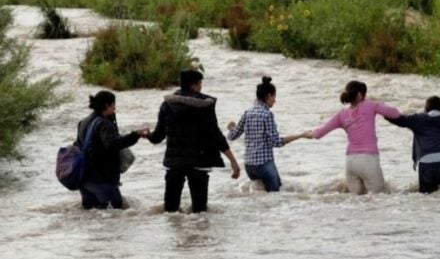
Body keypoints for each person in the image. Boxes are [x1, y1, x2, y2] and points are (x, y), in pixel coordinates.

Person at [148, 70, 241, 213]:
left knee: (170, 211)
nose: (201, 87)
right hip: (199, 163)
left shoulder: (167, 105)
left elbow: (158, 137)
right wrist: (233, 161)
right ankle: (198, 234)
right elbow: (216, 136)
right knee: (200, 212)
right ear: (194, 85)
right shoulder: (205, 106)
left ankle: (172, 235)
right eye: (200, 84)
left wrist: (146, 135)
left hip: (175, 164)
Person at [309, 80, 400, 194]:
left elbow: (319, 133)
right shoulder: (371, 105)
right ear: (361, 95)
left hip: (351, 162)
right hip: (369, 160)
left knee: (355, 202)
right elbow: (395, 113)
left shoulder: (341, 114)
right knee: (378, 200)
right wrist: (378, 103)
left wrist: (306, 134)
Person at [227, 76, 308, 192]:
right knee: (275, 197)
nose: (275, 100)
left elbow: (232, 136)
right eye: (274, 97)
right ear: (269, 96)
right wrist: (301, 135)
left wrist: (231, 128)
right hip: (264, 164)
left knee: (261, 198)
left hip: (249, 166)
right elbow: (277, 142)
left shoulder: (247, 112)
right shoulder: (267, 114)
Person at [75, 91, 149, 209]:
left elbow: (78, 145)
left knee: (92, 217)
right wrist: (135, 135)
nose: (115, 108)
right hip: (101, 178)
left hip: (85, 178)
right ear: (106, 105)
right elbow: (113, 144)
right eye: (114, 104)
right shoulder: (104, 124)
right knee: (116, 211)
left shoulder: (83, 122)